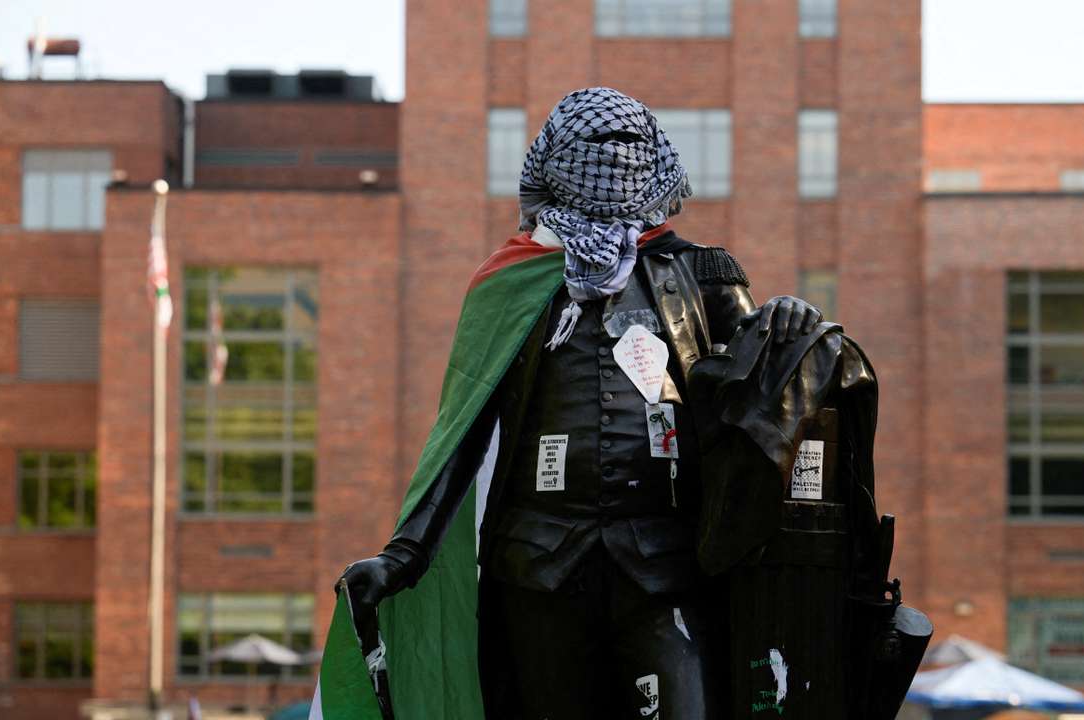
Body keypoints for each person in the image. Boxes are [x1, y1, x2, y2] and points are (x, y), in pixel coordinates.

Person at [339, 87, 822, 719]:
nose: (611, 161)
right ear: (555, 160)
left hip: (664, 567)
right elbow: (462, 430)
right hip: (538, 570)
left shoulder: (701, 273)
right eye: (593, 148)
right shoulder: (511, 282)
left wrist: (788, 325)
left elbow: (754, 385)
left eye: (627, 147)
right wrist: (406, 553)